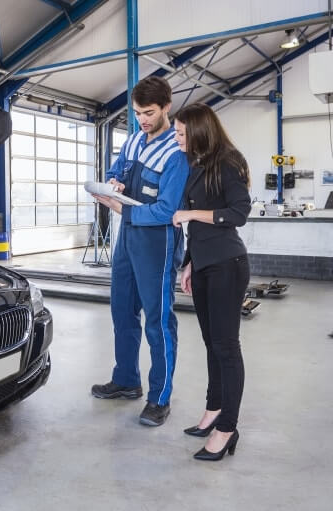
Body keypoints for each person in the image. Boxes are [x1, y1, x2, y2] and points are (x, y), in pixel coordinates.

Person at [91, 76, 190, 427]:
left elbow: (166, 210)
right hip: (128, 239)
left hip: (158, 243)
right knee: (122, 310)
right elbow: (116, 171)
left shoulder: (177, 153)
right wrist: (112, 182)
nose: (143, 120)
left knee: (158, 321)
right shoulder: (132, 141)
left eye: (149, 113)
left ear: (166, 106)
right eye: (136, 114)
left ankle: (159, 397)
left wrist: (122, 210)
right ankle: (126, 379)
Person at [171, 103, 251, 460]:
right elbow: (198, 230)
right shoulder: (197, 164)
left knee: (226, 347)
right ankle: (213, 410)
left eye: (181, 133)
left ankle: (227, 428)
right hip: (203, 264)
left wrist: (189, 213)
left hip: (227, 265)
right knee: (211, 344)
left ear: (200, 131)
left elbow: (239, 213)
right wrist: (189, 263)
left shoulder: (229, 162)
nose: (176, 138)